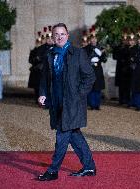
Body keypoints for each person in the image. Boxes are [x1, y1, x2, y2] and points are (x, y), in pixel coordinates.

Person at [38, 23, 96, 181]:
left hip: (72, 103)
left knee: (62, 136)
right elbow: (45, 78)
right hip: (56, 102)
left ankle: (53, 170)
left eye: (62, 34)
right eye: (56, 34)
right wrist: (43, 93)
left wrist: (79, 95)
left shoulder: (78, 53)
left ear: (67, 35)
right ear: (52, 36)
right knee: (74, 135)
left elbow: (90, 76)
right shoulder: (50, 54)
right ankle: (89, 166)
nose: (59, 37)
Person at [83, 26, 107, 110]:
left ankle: (97, 104)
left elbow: (104, 60)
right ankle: (91, 104)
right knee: (91, 87)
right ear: (90, 39)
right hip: (90, 69)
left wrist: (101, 55)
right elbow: (83, 60)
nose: (93, 40)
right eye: (92, 38)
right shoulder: (85, 48)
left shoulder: (101, 48)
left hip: (98, 69)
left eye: (95, 38)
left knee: (98, 87)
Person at [28, 27, 54, 103]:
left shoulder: (57, 47)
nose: (49, 39)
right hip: (41, 71)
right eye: (47, 38)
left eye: (51, 38)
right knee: (40, 87)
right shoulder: (40, 48)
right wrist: (37, 59)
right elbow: (33, 59)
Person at [113, 32, 131, 105]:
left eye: (126, 40)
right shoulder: (118, 47)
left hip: (127, 68)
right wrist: (115, 49)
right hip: (120, 67)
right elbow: (115, 57)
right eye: (123, 39)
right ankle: (121, 100)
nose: (124, 41)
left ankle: (127, 100)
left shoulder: (129, 48)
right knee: (121, 86)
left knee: (127, 85)